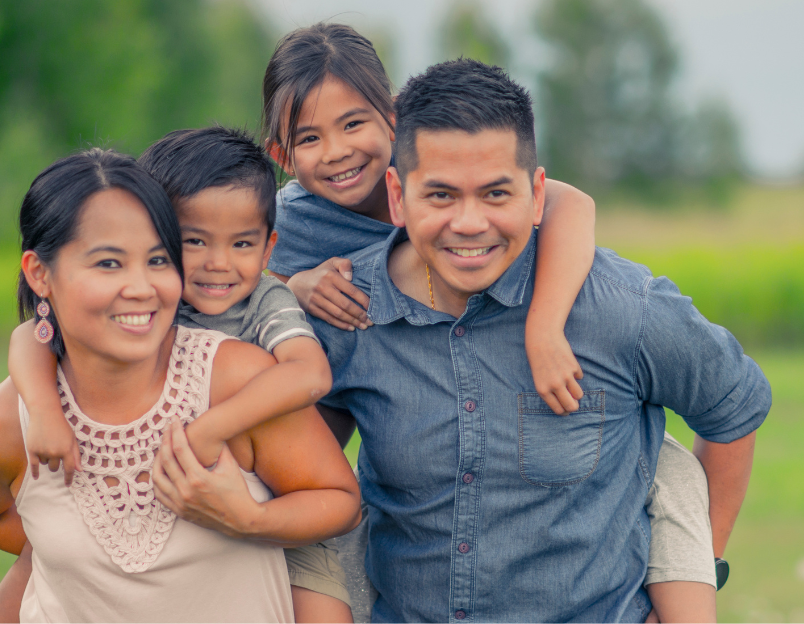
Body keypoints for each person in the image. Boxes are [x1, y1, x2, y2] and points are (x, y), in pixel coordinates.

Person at [159, 60, 770, 622]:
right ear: (398, 196)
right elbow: (306, 479)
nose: (470, 222)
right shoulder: (345, 317)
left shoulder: (622, 310)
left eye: (496, 194)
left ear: (537, 194)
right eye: (442, 195)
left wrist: (695, 574)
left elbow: (731, 408)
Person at [0, 148, 361, 622]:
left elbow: (337, 494)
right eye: (108, 264)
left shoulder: (241, 377)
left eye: (158, 260)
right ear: (40, 274)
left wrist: (245, 517)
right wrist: (68, 559)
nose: (141, 287)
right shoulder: (4, 425)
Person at [262, 23, 597, 433]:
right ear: (282, 156)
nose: (337, 152)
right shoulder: (291, 219)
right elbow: (256, 301)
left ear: (392, 118)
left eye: (352, 125)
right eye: (310, 138)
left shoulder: (430, 170)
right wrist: (294, 288)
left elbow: (573, 204)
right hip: (386, 383)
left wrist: (543, 329)